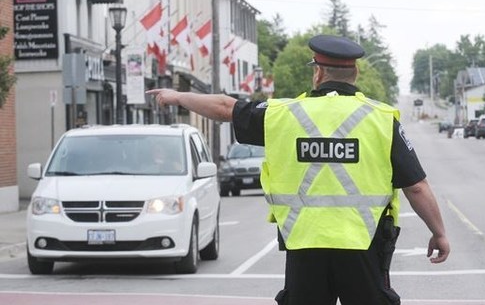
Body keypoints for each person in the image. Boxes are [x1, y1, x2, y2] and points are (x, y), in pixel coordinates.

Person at [147, 34, 450, 305]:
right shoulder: (381, 119)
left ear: (317, 73)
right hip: (364, 246)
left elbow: (226, 107)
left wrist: (178, 96)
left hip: (304, 247)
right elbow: (416, 187)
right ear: (355, 73)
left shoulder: (282, 115)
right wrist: (438, 233)